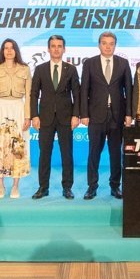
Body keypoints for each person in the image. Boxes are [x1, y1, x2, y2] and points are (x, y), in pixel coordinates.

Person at [80, 31, 133, 200]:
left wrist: (129, 114)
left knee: (116, 154)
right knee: (94, 153)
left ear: (115, 45)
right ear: (99, 45)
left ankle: (115, 186)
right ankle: (92, 186)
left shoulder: (123, 63)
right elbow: (84, 90)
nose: (108, 47)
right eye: (104, 43)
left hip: (117, 116)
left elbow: (129, 90)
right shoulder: (90, 63)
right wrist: (84, 114)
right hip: (95, 116)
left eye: (111, 43)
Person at [31, 34, 79, 199]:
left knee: (67, 154)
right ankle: (43, 187)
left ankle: (67, 188)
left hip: (66, 118)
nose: (56, 49)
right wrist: (34, 115)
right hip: (45, 118)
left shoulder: (71, 69)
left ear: (64, 49)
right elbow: (33, 94)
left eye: (59, 46)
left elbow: (77, 94)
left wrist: (76, 115)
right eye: (53, 46)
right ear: (48, 49)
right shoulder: (40, 69)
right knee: (44, 154)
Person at [0, 38, 32, 198]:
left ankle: (15, 186)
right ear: (2, 51)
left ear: (16, 50)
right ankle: (0, 186)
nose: (9, 51)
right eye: (6, 48)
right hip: (0, 109)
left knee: (17, 147)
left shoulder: (25, 69)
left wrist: (28, 116)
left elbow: (29, 95)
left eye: (12, 48)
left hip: (18, 109)